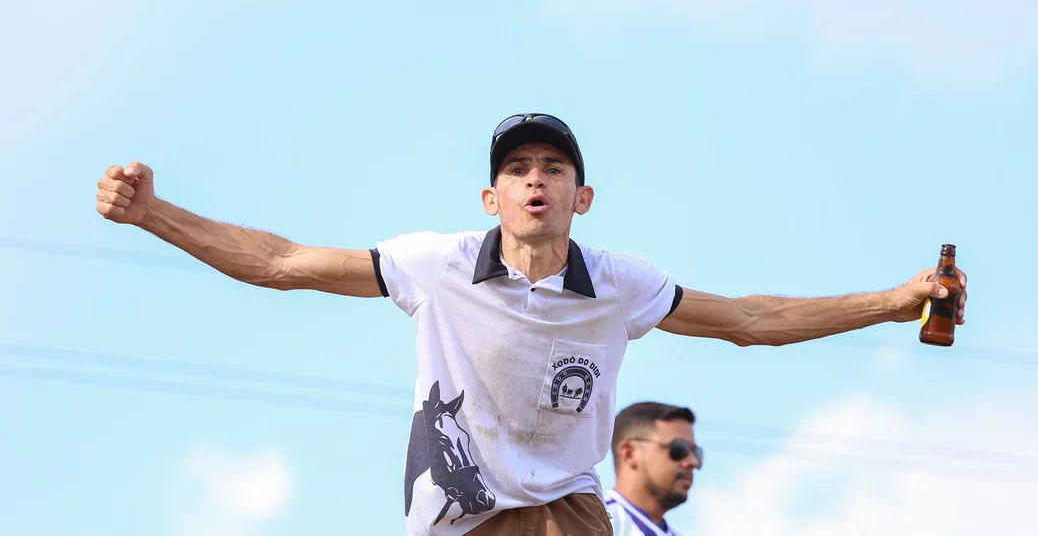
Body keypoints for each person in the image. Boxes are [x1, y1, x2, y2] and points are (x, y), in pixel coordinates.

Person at [95, 112, 968, 536]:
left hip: (565, 516)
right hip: (456, 520)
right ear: (493, 197)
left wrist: (893, 302)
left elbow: (747, 318)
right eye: (517, 169)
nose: (536, 180)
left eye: (554, 167)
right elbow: (283, 264)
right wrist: (154, 215)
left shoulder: (620, 286)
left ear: (581, 198)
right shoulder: (435, 266)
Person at [606, 402, 701, 536]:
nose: (693, 462)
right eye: (679, 449)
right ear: (630, 453)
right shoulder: (591, 522)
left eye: (696, 452)